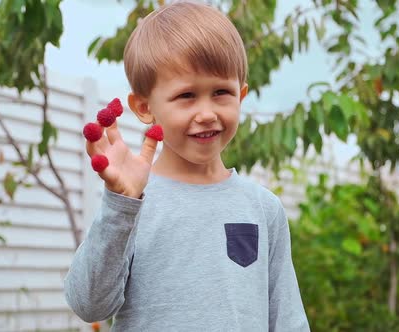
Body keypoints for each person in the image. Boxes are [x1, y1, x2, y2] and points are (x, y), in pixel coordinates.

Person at [64, 1, 310, 331]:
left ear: (241, 96)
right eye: (186, 96)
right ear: (144, 107)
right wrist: (121, 206)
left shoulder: (264, 209)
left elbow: (288, 320)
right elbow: (88, 304)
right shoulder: (131, 203)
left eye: (221, 92)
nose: (206, 112)